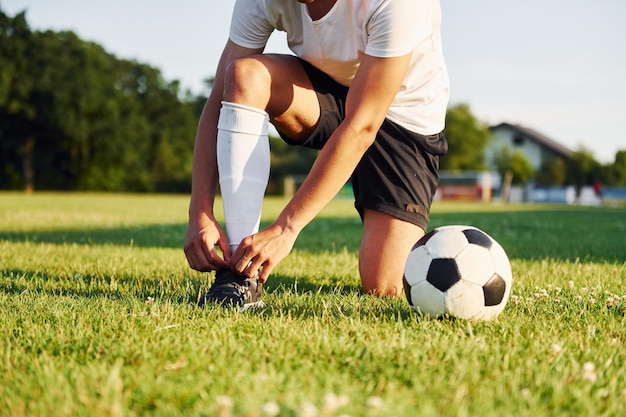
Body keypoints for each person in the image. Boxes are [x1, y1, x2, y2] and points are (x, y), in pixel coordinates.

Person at [184, 0, 449, 309]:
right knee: (245, 75)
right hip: (324, 92)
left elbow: (363, 125)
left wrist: (286, 228)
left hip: (402, 118)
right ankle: (240, 276)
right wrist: (199, 210)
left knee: (385, 285)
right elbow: (218, 99)